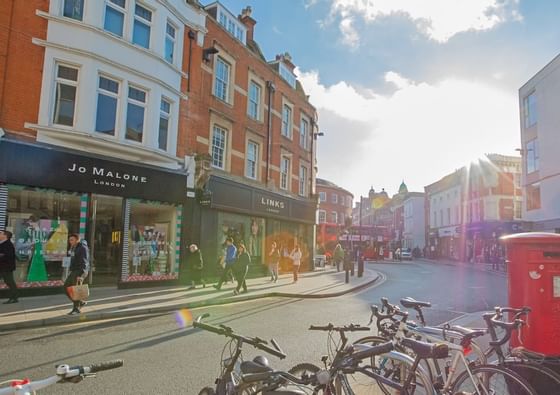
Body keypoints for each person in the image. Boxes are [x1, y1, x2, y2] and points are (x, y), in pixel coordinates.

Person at [65, 234, 89, 315]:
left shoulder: (82, 248)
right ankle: (80, 302)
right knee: (66, 287)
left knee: (76, 290)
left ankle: (76, 309)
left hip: (79, 271)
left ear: (77, 240)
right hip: (74, 271)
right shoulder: (73, 248)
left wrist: (81, 275)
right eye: (69, 240)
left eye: (72, 240)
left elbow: (84, 261)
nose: (70, 241)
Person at [0, 230, 18, 304]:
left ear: (5, 236)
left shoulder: (8, 244)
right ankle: (14, 297)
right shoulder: (2, 243)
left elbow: (8, 256)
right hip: (2, 267)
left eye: (0, 233)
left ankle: (14, 298)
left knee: (9, 282)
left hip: (6, 267)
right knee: (9, 282)